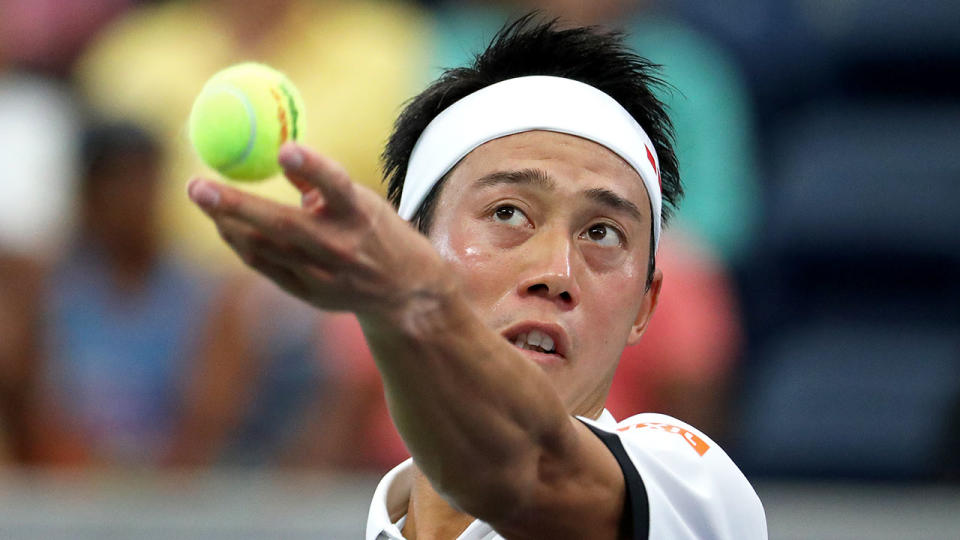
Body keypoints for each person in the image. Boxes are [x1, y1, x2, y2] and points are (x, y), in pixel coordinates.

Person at [188, 15, 766, 539]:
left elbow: (522, 477)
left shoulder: (695, 493)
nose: (557, 273)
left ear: (646, 305)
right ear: (411, 244)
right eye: (508, 213)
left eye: (602, 234)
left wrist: (413, 304)